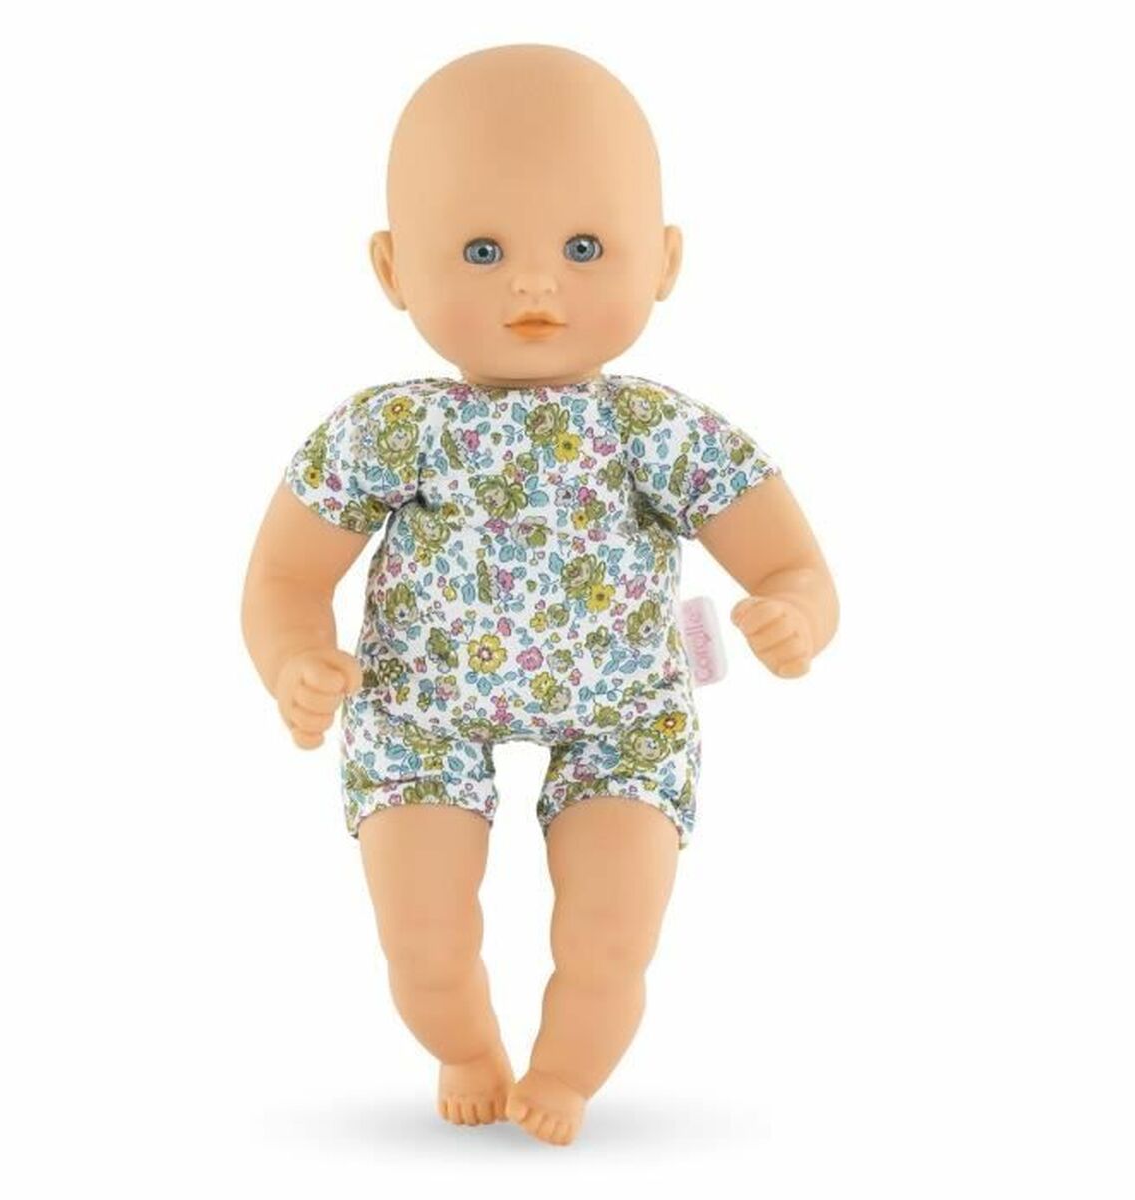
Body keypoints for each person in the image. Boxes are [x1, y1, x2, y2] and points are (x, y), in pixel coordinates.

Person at [242, 43, 839, 1147]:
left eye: (583, 247)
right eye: (481, 250)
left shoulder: (657, 432)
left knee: (611, 935)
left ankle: (565, 1070)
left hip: (625, 718)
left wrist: (794, 613)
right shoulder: (391, 430)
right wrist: (295, 658)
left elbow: (791, 563)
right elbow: (285, 574)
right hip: (420, 711)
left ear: (664, 260)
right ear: (393, 269)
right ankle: (466, 1047)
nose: (532, 283)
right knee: (423, 944)